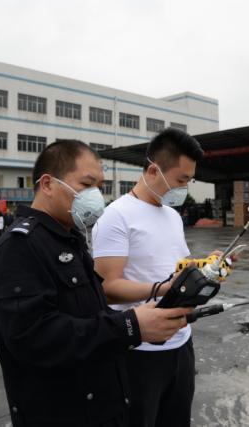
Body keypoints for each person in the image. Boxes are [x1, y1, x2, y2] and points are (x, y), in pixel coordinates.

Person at [0, 139, 191, 426]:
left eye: (100, 187)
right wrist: (130, 325)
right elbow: (32, 339)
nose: (95, 195)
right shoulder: (20, 248)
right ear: (47, 184)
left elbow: (91, 312)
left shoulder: (69, 239)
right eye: (86, 184)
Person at [93, 128, 211, 427]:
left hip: (181, 343)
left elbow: (178, 267)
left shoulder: (172, 215)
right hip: (139, 350)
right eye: (181, 180)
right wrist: (160, 288)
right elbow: (107, 287)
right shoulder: (116, 216)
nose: (184, 188)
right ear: (152, 170)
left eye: (188, 180)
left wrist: (208, 265)